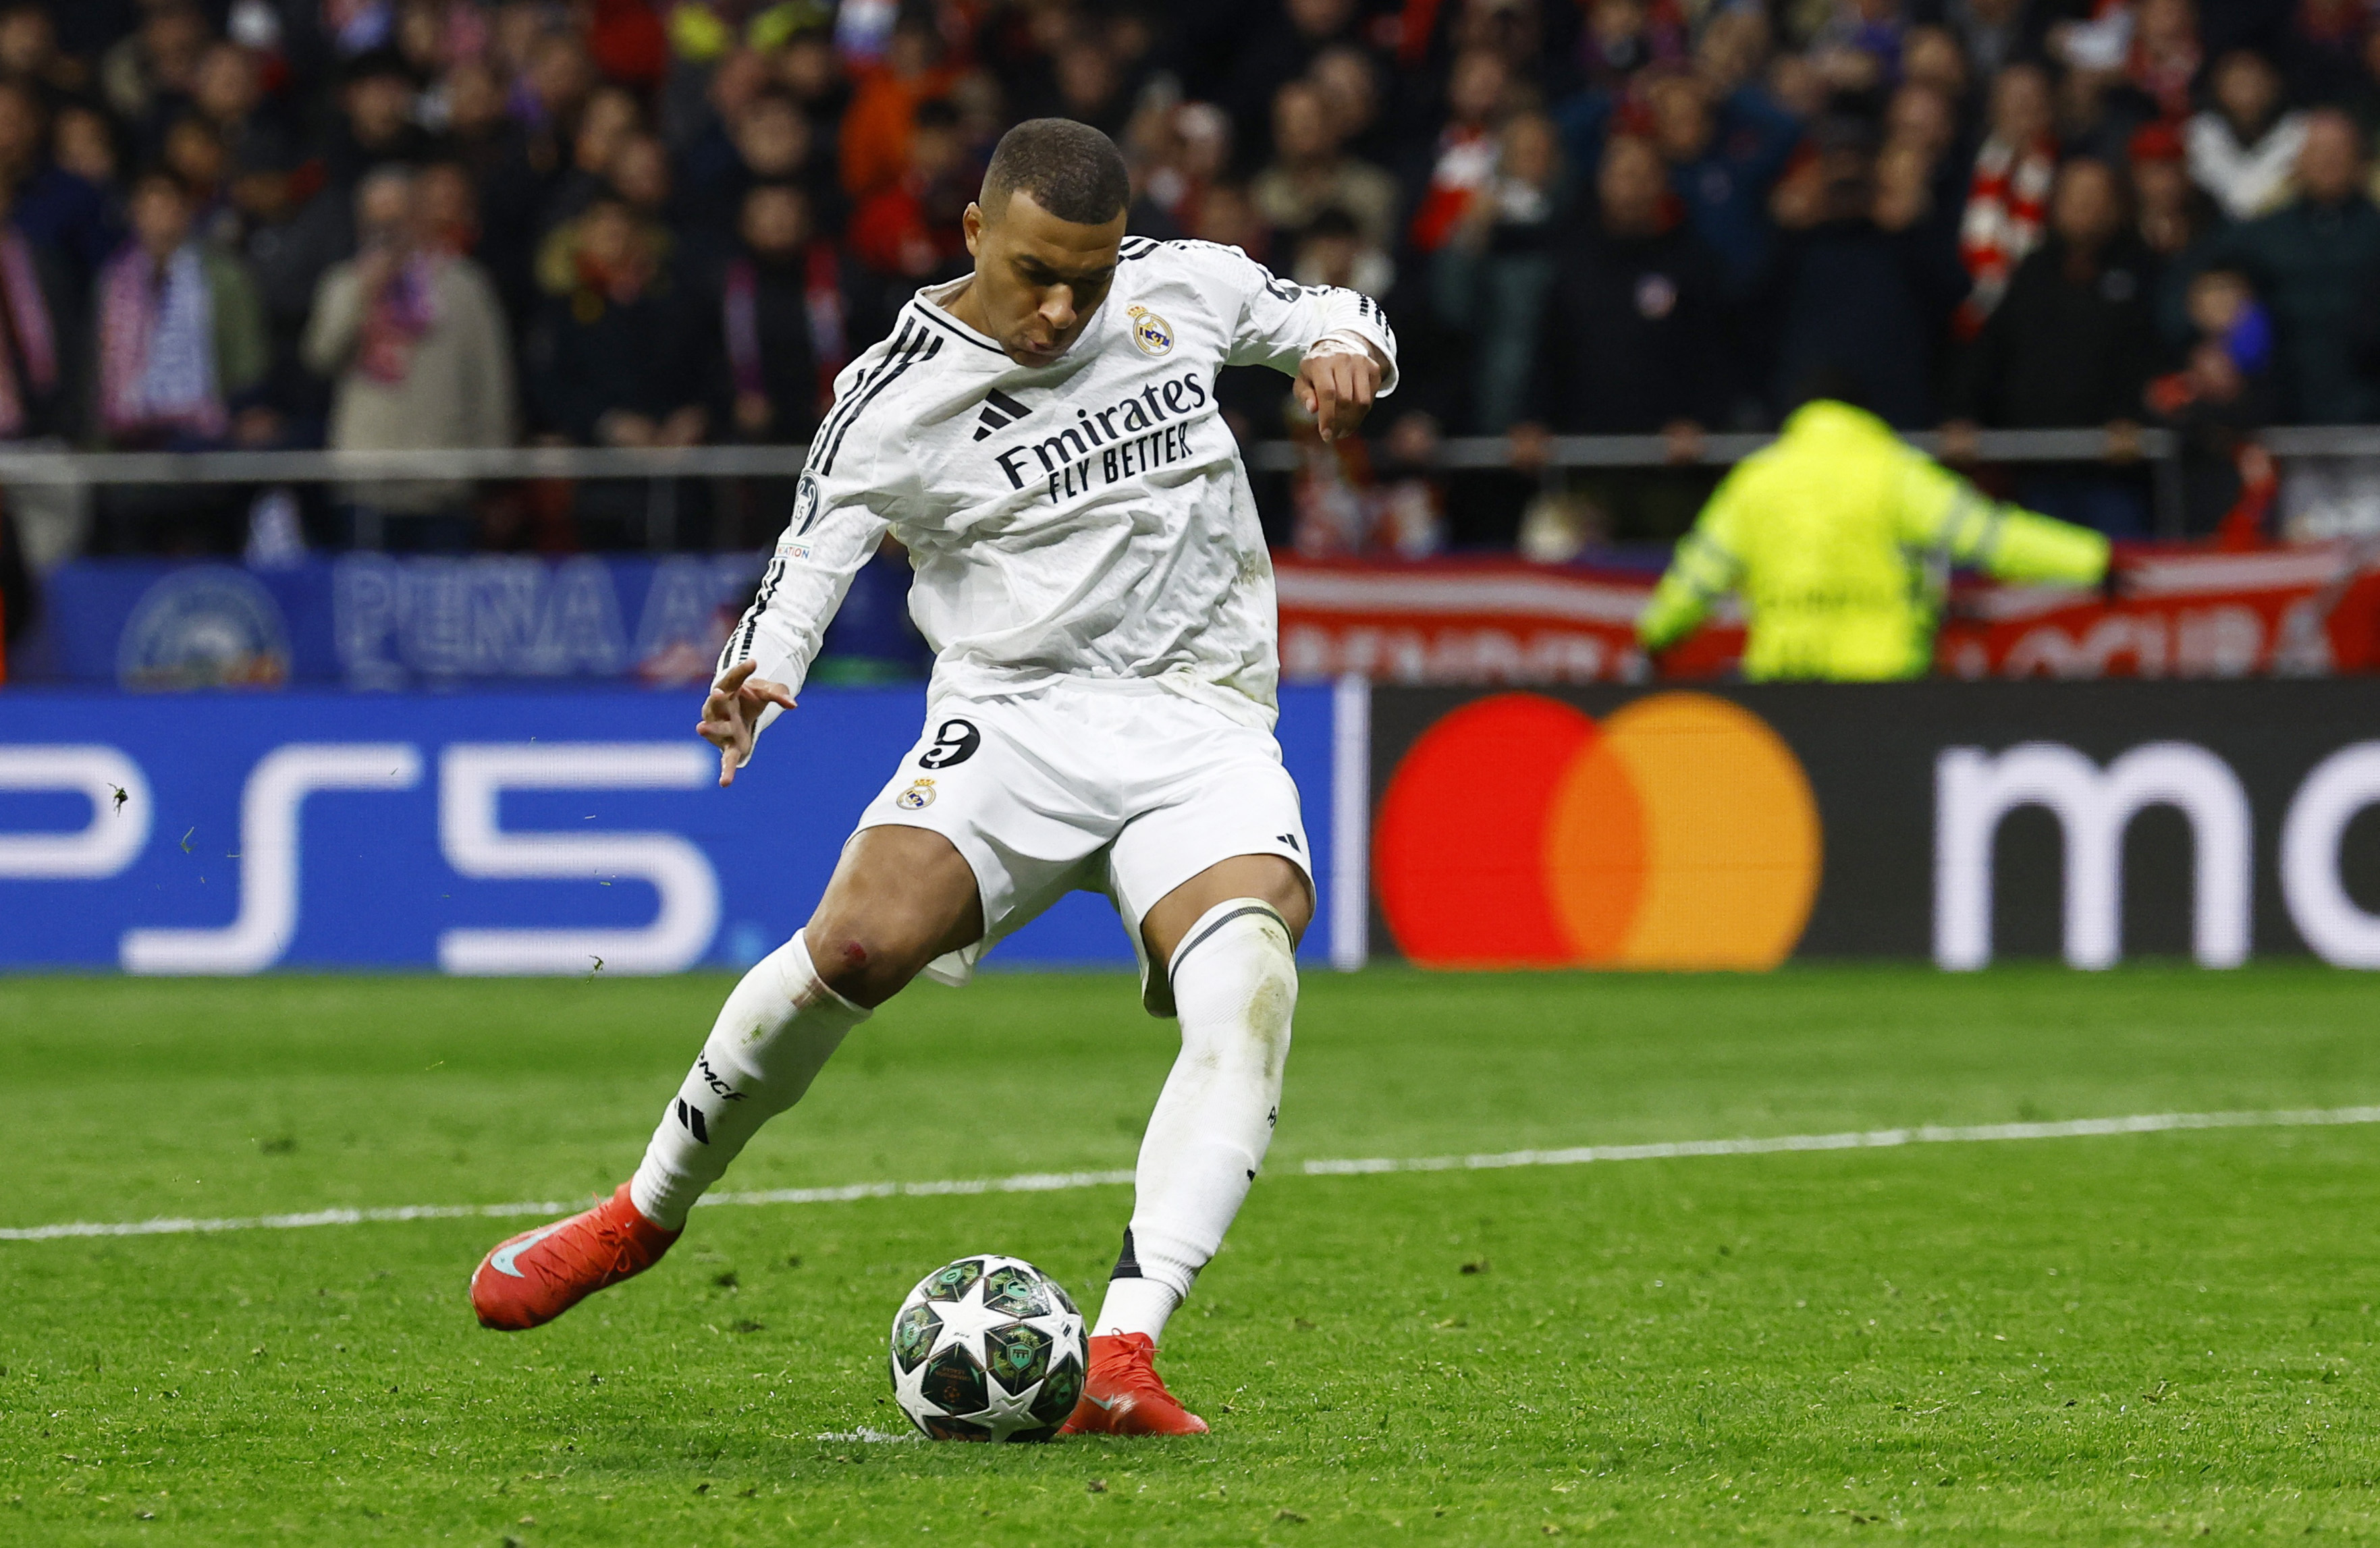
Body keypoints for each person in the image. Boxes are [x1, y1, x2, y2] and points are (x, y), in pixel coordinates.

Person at [468, 118, 1396, 1439]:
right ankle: (638, 1215)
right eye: (1032, 273)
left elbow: (1328, 307)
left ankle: (1124, 1351)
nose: (1061, 307)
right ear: (972, 233)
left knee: (1246, 974)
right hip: (1013, 719)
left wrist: (1346, 348)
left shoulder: (1180, 286)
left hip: (1197, 719)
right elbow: (813, 546)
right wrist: (761, 666)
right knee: (852, 943)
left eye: (1084, 276)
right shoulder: (897, 388)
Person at [1639, 382, 2111, 680]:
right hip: (1884, 683)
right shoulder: (1895, 471)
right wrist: (2091, 560)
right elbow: (1990, 538)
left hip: (1785, 683)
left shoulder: (1756, 479)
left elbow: (1699, 574)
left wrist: (1658, 633)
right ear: (1866, 413)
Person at [302, 165, 516, 551]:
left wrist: (492, 471)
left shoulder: (464, 285)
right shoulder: (344, 283)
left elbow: (491, 382)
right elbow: (321, 357)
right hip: (367, 478)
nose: (386, 231)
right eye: (375, 221)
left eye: (395, 219)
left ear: (417, 217)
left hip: (443, 479)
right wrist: (362, 296)